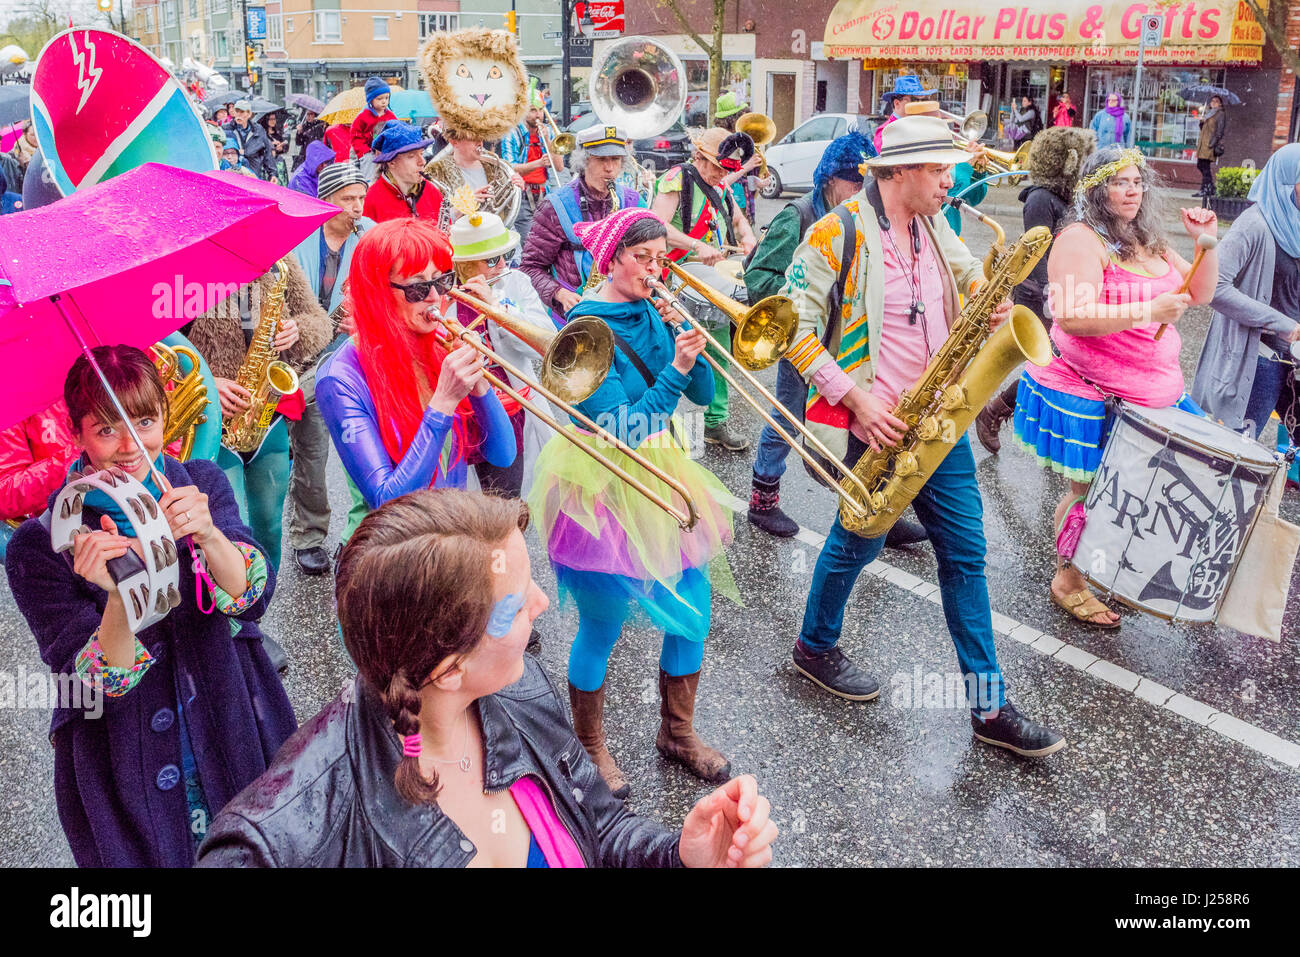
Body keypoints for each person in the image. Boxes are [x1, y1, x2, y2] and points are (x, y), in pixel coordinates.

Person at [197, 489, 777, 868]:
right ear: (449, 668)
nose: (543, 602)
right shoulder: (278, 842)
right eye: (517, 602)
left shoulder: (519, 691)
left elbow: (601, 831)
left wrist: (682, 854)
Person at [780, 115, 1067, 757]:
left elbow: (967, 280)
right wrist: (855, 398)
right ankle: (814, 646)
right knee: (858, 543)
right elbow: (789, 330)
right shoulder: (836, 233)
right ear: (900, 171)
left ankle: (989, 709)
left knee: (965, 557)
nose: (951, 181)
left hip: (941, 417)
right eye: (940, 170)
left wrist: (985, 300)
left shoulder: (937, 224)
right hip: (875, 423)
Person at [5, 345, 297, 866]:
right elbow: (94, 681)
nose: (131, 445)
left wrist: (208, 534)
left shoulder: (199, 483)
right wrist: (118, 596)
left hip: (230, 710)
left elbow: (251, 599)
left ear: (165, 416)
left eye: (144, 421)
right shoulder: (41, 545)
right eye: (106, 430)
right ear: (77, 435)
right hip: (123, 750)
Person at [529, 208, 738, 794]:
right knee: (604, 622)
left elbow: (698, 394)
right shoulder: (588, 328)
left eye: (659, 259)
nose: (654, 270)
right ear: (611, 259)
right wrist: (674, 368)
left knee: (694, 607)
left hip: (661, 473)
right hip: (603, 479)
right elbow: (623, 426)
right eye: (641, 259)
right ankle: (590, 745)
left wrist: (687, 345)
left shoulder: (655, 307)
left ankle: (677, 732)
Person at [1011, 146, 1217, 629]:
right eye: (1120, 182)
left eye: (1137, 182)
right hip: (1090, 390)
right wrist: (1149, 311)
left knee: (1133, 495)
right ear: (1096, 188)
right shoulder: (1080, 239)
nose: (1132, 191)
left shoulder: (1147, 238)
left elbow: (1199, 293)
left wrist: (1206, 242)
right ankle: (1068, 581)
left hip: (1154, 393)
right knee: (1089, 493)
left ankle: (1101, 568)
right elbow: (1072, 318)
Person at [315, 218, 516, 544]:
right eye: (418, 287)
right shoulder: (340, 378)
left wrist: (480, 387)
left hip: (454, 544)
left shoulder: (439, 343)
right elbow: (388, 501)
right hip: (390, 558)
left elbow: (502, 455)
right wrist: (444, 401)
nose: (436, 298)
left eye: (442, 281)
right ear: (379, 293)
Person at [744, 130, 875, 537]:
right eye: (855, 182)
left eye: (866, 184)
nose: (861, 191)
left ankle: (866, 505)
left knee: (857, 418)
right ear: (830, 178)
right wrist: (801, 293)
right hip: (802, 336)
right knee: (787, 417)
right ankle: (762, 501)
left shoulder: (858, 214)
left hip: (846, 335)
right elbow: (757, 279)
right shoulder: (797, 216)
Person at [185, 258, 333, 574]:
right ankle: (233, 622)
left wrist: (298, 330)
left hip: (267, 416)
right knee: (228, 530)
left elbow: (319, 321)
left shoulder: (280, 261)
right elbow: (161, 346)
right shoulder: (186, 264)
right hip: (212, 424)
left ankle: (258, 612)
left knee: (269, 527)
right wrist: (209, 384)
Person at [976, 124, 1097, 453]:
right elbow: (1039, 253)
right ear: (1064, 162)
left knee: (1061, 366)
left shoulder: (1066, 196)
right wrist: (1056, 296)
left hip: (1062, 290)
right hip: (1040, 294)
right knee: (1049, 365)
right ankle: (994, 410)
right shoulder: (1041, 198)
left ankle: (1042, 425)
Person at [286, 162, 376, 575]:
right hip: (304, 358)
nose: (358, 207)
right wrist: (306, 324)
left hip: (354, 358)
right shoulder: (296, 239)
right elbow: (280, 300)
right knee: (312, 453)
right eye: (348, 200)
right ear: (325, 201)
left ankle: (365, 529)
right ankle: (309, 534)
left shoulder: (370, 234)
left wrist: (364, 316)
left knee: (363, 449)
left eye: (361, 197)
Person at [650, 127, 758, 452]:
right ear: (698, 157)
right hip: (671, 277)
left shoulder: (721, 186)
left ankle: (714, 422)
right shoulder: (676, 180)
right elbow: (656, 224)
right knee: (660, 352)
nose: (722, 174)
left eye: (726, 169)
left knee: (719, 350)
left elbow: (739, 223)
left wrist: (749, 240)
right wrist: (696, 245)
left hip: (711, 277)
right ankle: (655, 422)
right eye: (716, 167)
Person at [447, 191, 557, 499]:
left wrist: (497, 308)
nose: (502, 266)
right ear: (464, 264)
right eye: (492, 259)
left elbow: (543, 341)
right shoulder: (441, 297)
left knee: (507, 499)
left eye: (506, 256)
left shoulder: (516, 284)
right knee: (464, 504)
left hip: (513, 407)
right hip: (463, 413)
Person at [1191, 143, 1300, 441]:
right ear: (1286, 182)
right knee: (1234, 450)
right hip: (1258, 361)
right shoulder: (1254, 226)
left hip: (1292, 363)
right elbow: (1214, 287)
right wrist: (1286, 326)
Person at [519, 123, 643, 317]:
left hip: (626, 311)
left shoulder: (634, 202)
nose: (610, 168)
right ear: (584, 160)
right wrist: (558, 293)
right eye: (602, 159)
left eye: (616, 159)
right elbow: (530, 267)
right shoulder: (555, 206)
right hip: (575, 314)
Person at [0, 399, 78, 561]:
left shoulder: (114, 381)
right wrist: (73, 460)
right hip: (60, 530)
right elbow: (4, 494)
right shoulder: (15, 400)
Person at [906, 100, 991, 236]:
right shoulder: (918, 158)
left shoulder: (946, 151)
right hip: (930, 236)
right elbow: (946, 196)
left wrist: (978, 173)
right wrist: (965, 166)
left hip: (951, 236)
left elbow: (970, 199)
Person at [425, 128, 525, 233]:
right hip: (463, 243)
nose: (480, 143)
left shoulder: (497, 166)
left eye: (481, 138)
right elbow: (431, 220)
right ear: (454, 142)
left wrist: (516, 185)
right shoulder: (436, 172)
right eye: (473, 139)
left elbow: (508, 208)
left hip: (501, 236)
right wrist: (462, 206)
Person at [498, 90, 563, 245]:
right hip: (522, 195)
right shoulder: (512, 133)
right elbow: (509, 167)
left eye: (541, 110)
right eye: (533, 110)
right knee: (529, 242)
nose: (538, 115)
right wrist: (538, 164)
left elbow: (559, 167)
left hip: (543, 192)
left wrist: (547, 139)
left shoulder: (548, 132)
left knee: (548, 240)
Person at [362, 121, 443, 224]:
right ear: (391, 162)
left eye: (421, 153)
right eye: (412, 156)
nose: (422, 161)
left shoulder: (431, 191)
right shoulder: (371, 200)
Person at [873, 74, 937, 153]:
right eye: (913, 100)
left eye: (922, 100)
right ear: (897, 103)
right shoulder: (885, 131)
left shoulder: (921, 125)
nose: (919, 104)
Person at [351, 76, 397, 180]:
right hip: (368, 152)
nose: (384, 101)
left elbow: (396, 131)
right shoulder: (363, 117)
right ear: (371, 100)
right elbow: (355, 135)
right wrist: (364, 151)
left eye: (386, 98)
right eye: (379, 99)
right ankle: (368, 187)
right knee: (369, 170)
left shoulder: (391, 116)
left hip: (386, 152)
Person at [227, 100, 272, 179]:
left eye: (242, 112)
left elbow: (267, 152)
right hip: (233, 174)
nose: (239, 114)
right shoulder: (226, 129)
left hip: (254, 173)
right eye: (237, 111)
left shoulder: (258, 130)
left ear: (249, 114)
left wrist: (272, 173)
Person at [1195, 95, 1228, 198]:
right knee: (1201, 165)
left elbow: (1219, 132)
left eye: (1216, 101)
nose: (1213, 103)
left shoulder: (1220, 114)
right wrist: (1202, 121)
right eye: (1212, 101)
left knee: (1204, 167)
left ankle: (1205, 189)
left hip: (1209, 145)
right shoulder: (1209, 114)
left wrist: (1212, 144)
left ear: (1220, 103)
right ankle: (1210, 188)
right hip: (1202, 144)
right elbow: (1203, 129)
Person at [260, 111, 290, 185]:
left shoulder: (277, 132)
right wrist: (271, 145)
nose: (273, 121)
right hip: (268, 163)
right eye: (271, 119)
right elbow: (261, 147)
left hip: (278, 162)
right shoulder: (262, 133)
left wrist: (281, 148)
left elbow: (284, 148)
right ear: (266, 121)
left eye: (274, 119)